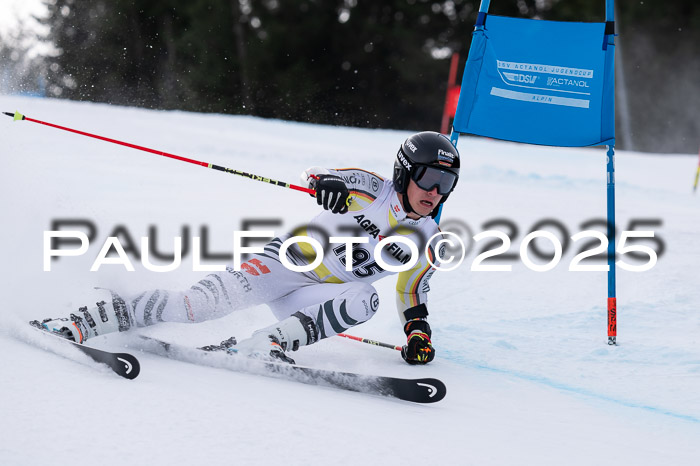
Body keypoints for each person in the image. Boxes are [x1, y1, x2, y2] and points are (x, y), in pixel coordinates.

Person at [32, 131, 460, 365]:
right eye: (429, 179)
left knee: (365, 299)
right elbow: (321, 172)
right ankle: (90, 317)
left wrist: (417, 333)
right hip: (283, 264)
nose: (435, 193)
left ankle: (266, 345)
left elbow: (410, 294)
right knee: (195, 307)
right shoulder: (371, 189)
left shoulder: (428, 241)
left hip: (312, 298)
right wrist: (324, 183)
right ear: (405, 173)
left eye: (446, 186)